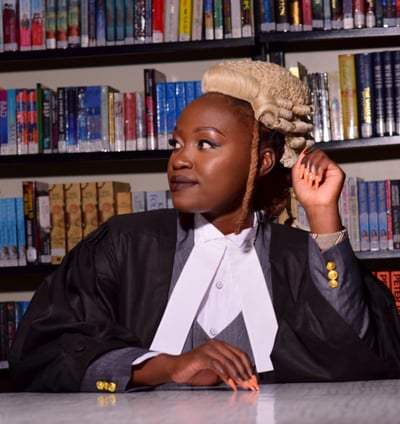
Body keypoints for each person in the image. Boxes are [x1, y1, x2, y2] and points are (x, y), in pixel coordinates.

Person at [9, 60, 400, 393]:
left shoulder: (299, 256)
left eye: (206, 144)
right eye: (176, 144)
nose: (179, 160)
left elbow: (356, 357)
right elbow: (45, 352)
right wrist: (164, 366)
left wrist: (323, 213)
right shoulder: (124, 245)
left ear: (263, 161)